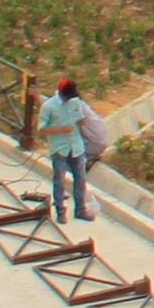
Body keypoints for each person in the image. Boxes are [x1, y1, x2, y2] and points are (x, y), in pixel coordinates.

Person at [37, 74, 95, 221]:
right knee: (60, 180)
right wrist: (60, 129)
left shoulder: (75, 103)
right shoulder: (49, 106)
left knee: (80, 179)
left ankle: (80, 209)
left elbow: (80, 119)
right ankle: (60, 210)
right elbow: (41, 128)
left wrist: (83, 121)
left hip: (76, 146)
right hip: (59, 148)